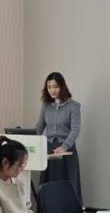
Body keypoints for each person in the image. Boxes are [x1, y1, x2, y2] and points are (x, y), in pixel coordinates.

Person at [34, 72, 83, 204]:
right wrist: (32, 142)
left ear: (62, 86)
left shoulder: (74, 106)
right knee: (48, 185)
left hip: (66, 151)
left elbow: (75, 130)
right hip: (49, 151)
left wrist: (64, 147)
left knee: (67, 186)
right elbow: (39, 128)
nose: (52, 90)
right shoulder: (46, 106)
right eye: (49, 87)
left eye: (55, 86)